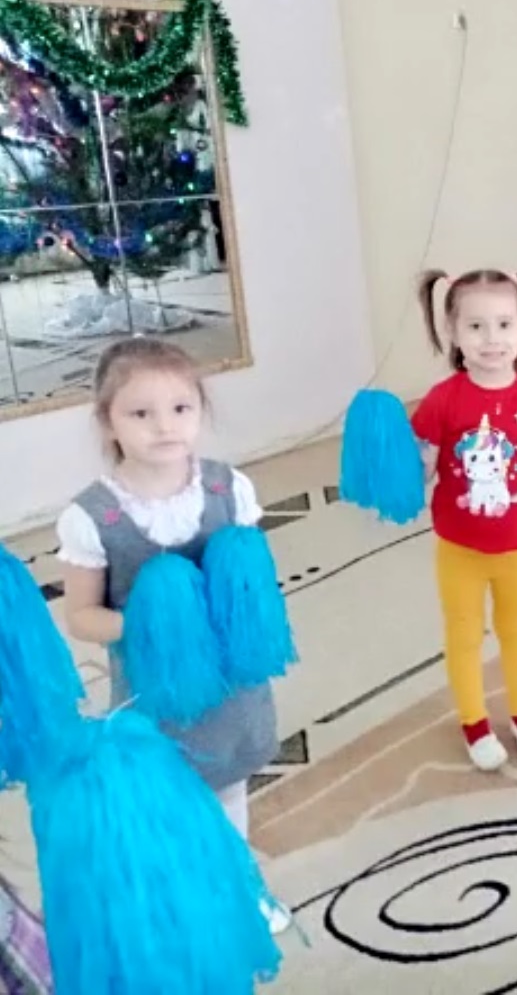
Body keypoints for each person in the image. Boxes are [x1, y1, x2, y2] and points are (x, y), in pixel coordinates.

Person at [55, 337, 290, 935]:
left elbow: (251, 581)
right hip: (155, 692)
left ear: (200, 410)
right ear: (107, 422)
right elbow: (81, 615)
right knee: (170, 798)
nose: (165, 426)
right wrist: (156, 623)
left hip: (231, 687)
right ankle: (184, 896)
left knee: (230, 785)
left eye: (181, 408)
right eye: (141, 412)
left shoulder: (228, 489)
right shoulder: (93, 516)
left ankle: (241, 885)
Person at [411, 269, 517, 772]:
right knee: (465, 635)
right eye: (475, 326)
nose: (491, 339)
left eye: (504, 324)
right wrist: (390, 461)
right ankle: (475, 723)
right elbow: (422, 471)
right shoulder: (442, 400)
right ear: (453, 332)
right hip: (459, 548)